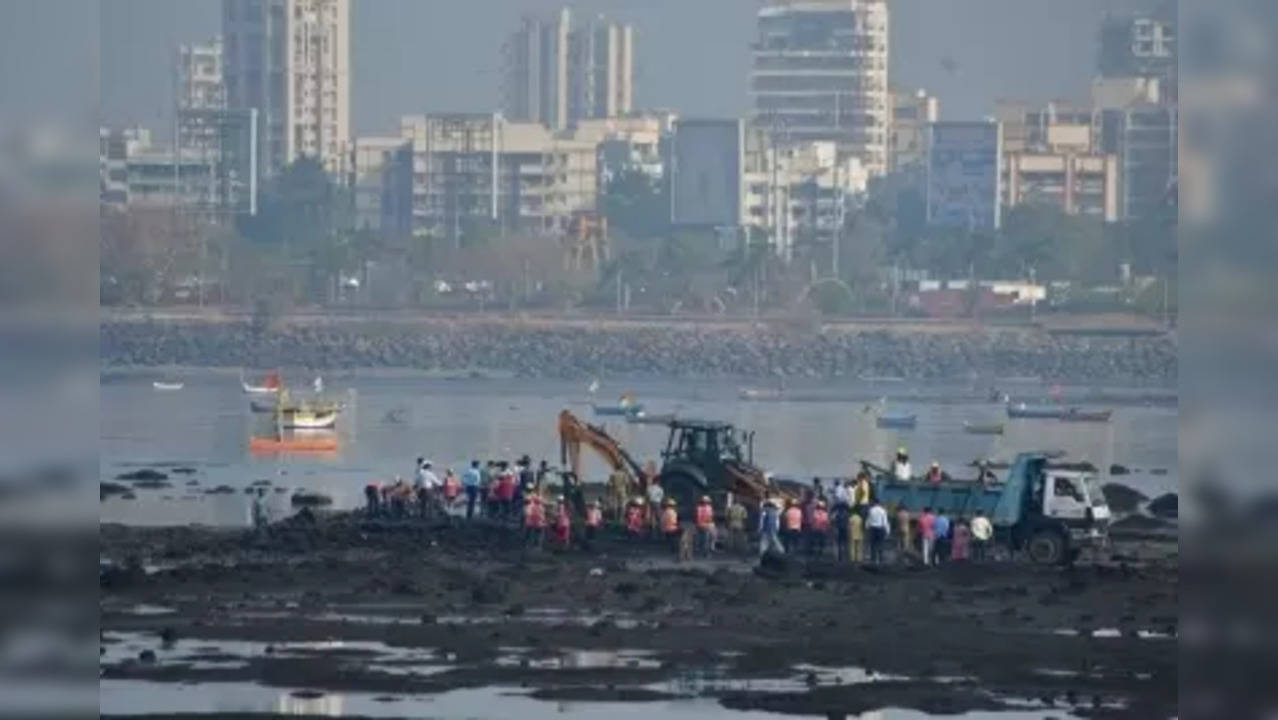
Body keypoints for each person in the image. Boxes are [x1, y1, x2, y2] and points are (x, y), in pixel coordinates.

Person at [866, 500, 890, 565]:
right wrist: (887, 531)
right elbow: (885, 522)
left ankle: (873, 559)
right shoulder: (883, 511)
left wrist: (867, 528)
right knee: (880, 544)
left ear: (874, 503)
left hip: (873, 529)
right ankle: (880, 558)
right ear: (879, 503)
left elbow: (868, 520)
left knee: (873, 544)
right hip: (880, 529)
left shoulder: (871, 510)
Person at [832, 496, 851, 562]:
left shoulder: (836, 514)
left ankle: (840, 557)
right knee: (845, 543)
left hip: (839, 529)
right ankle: (846, 557)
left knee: (839, 543)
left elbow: (833, 521)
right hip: (845, 529)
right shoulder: (847, 514)